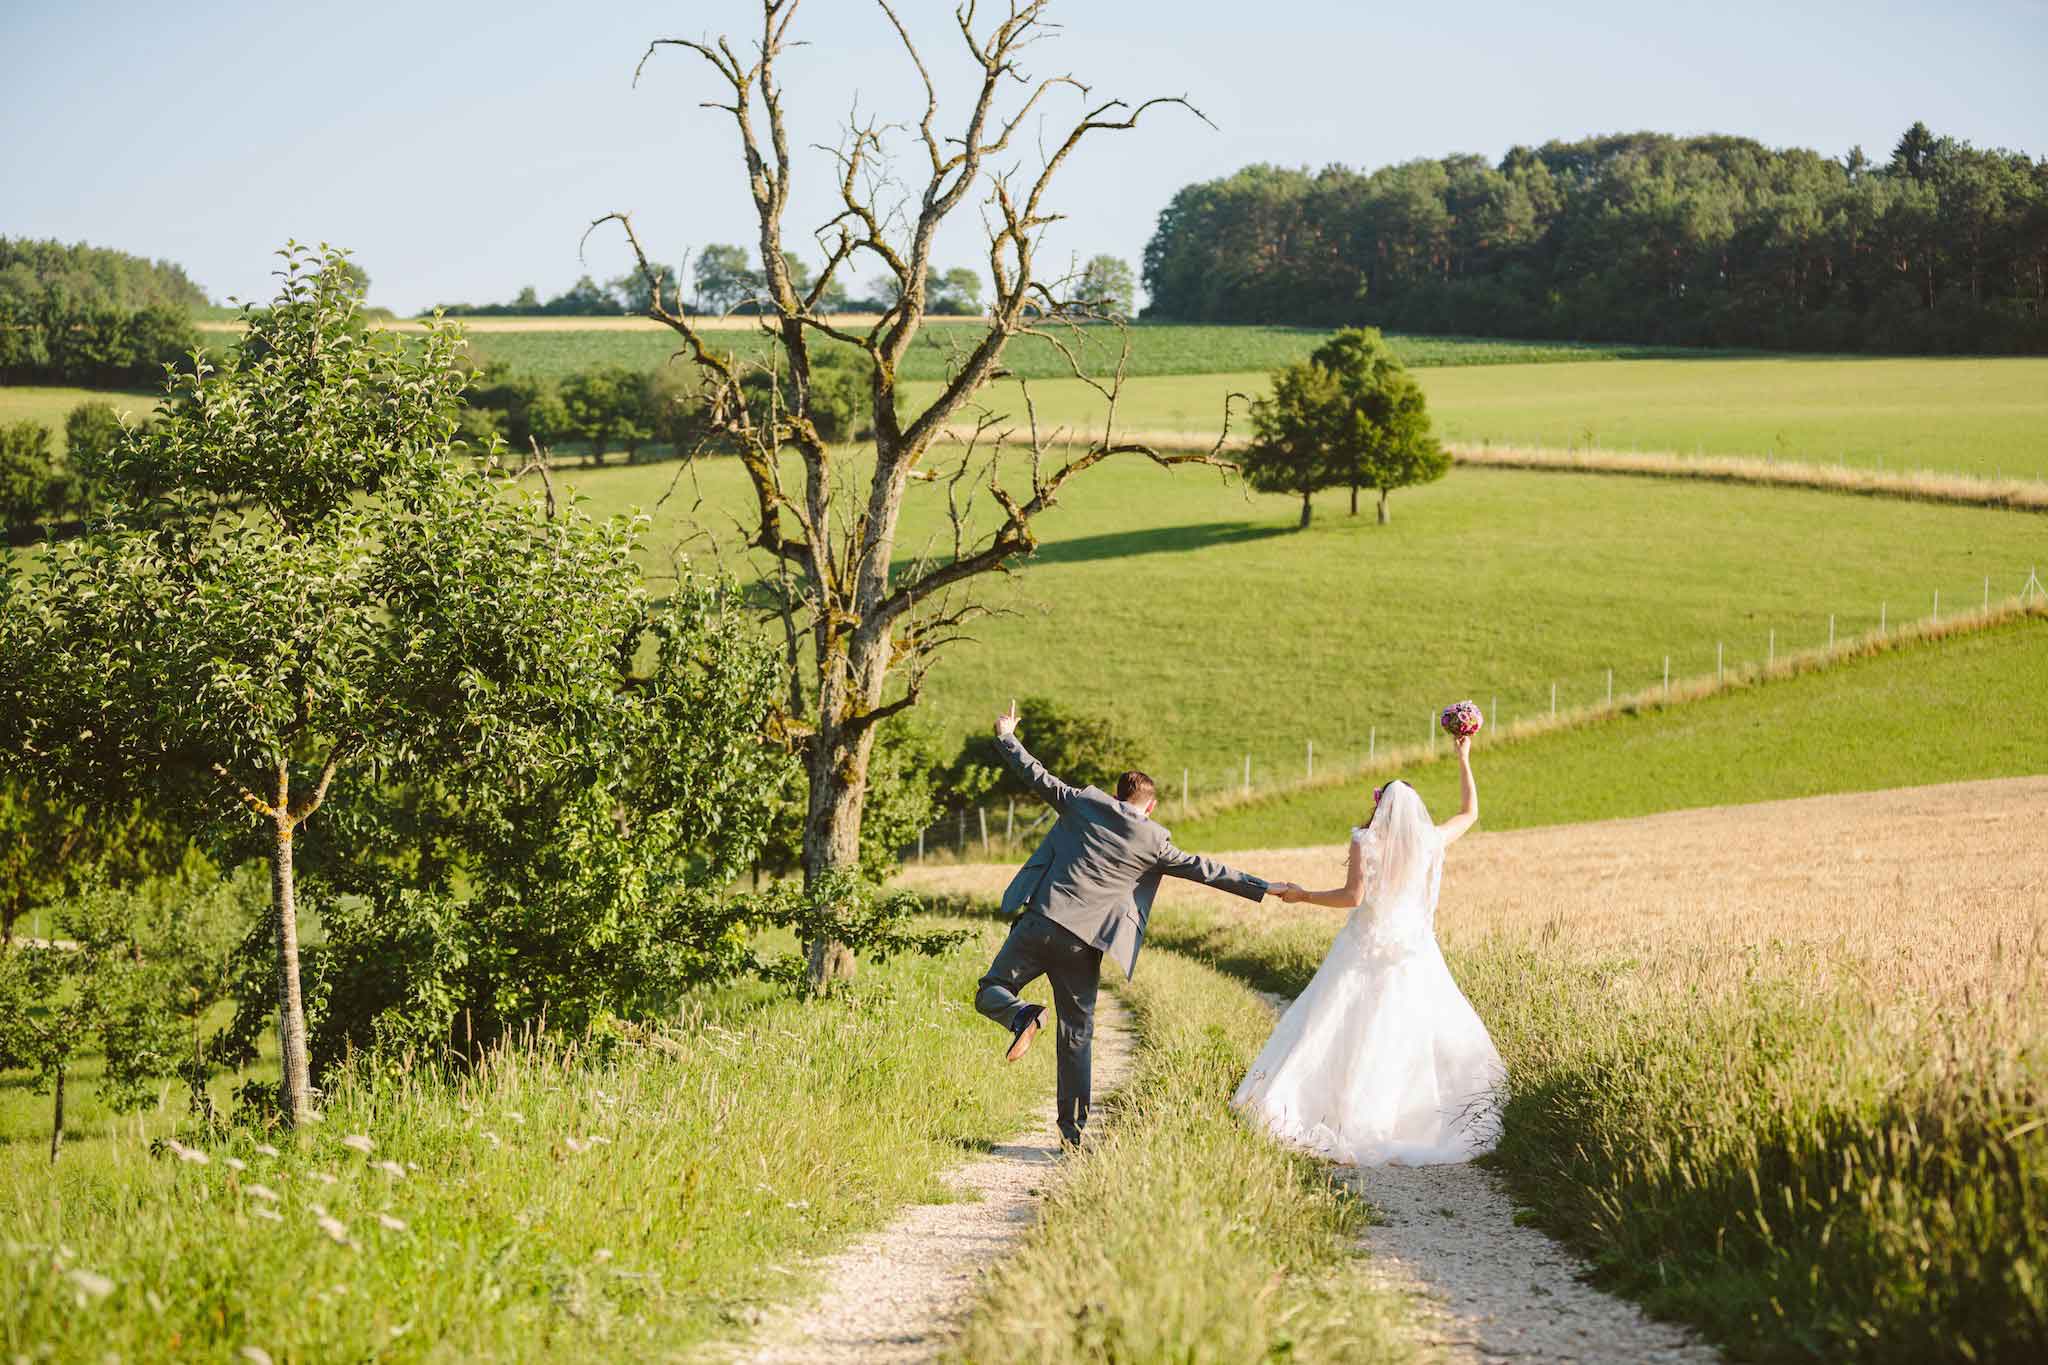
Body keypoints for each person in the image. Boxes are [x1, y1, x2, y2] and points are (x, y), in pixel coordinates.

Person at [975, 699, 1294, 1148]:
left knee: (990, 989)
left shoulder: (1084, 803)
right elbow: (1207, 869)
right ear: (1151, 805)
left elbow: (1036, 774)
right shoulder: (1155, 841)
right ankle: (1072, 1131)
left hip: (1041, 920)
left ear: (1117, 793)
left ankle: (1020, 1013)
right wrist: (1264, 887)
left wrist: (1007, 734)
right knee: (1077, 1032)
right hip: (1083, 946)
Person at [1233, 733, 1504, 1164]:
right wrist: (1463, 756)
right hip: (1413, 950)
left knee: (1336, 1025)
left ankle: (1334, 1113)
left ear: (1381, 808)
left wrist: (1303, 895)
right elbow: (1470, 812)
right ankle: (1404, 1121)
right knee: (1407, 1032)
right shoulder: (1429, 841)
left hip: (1363, 946)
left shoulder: (1365, 840)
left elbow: (1353, 898)